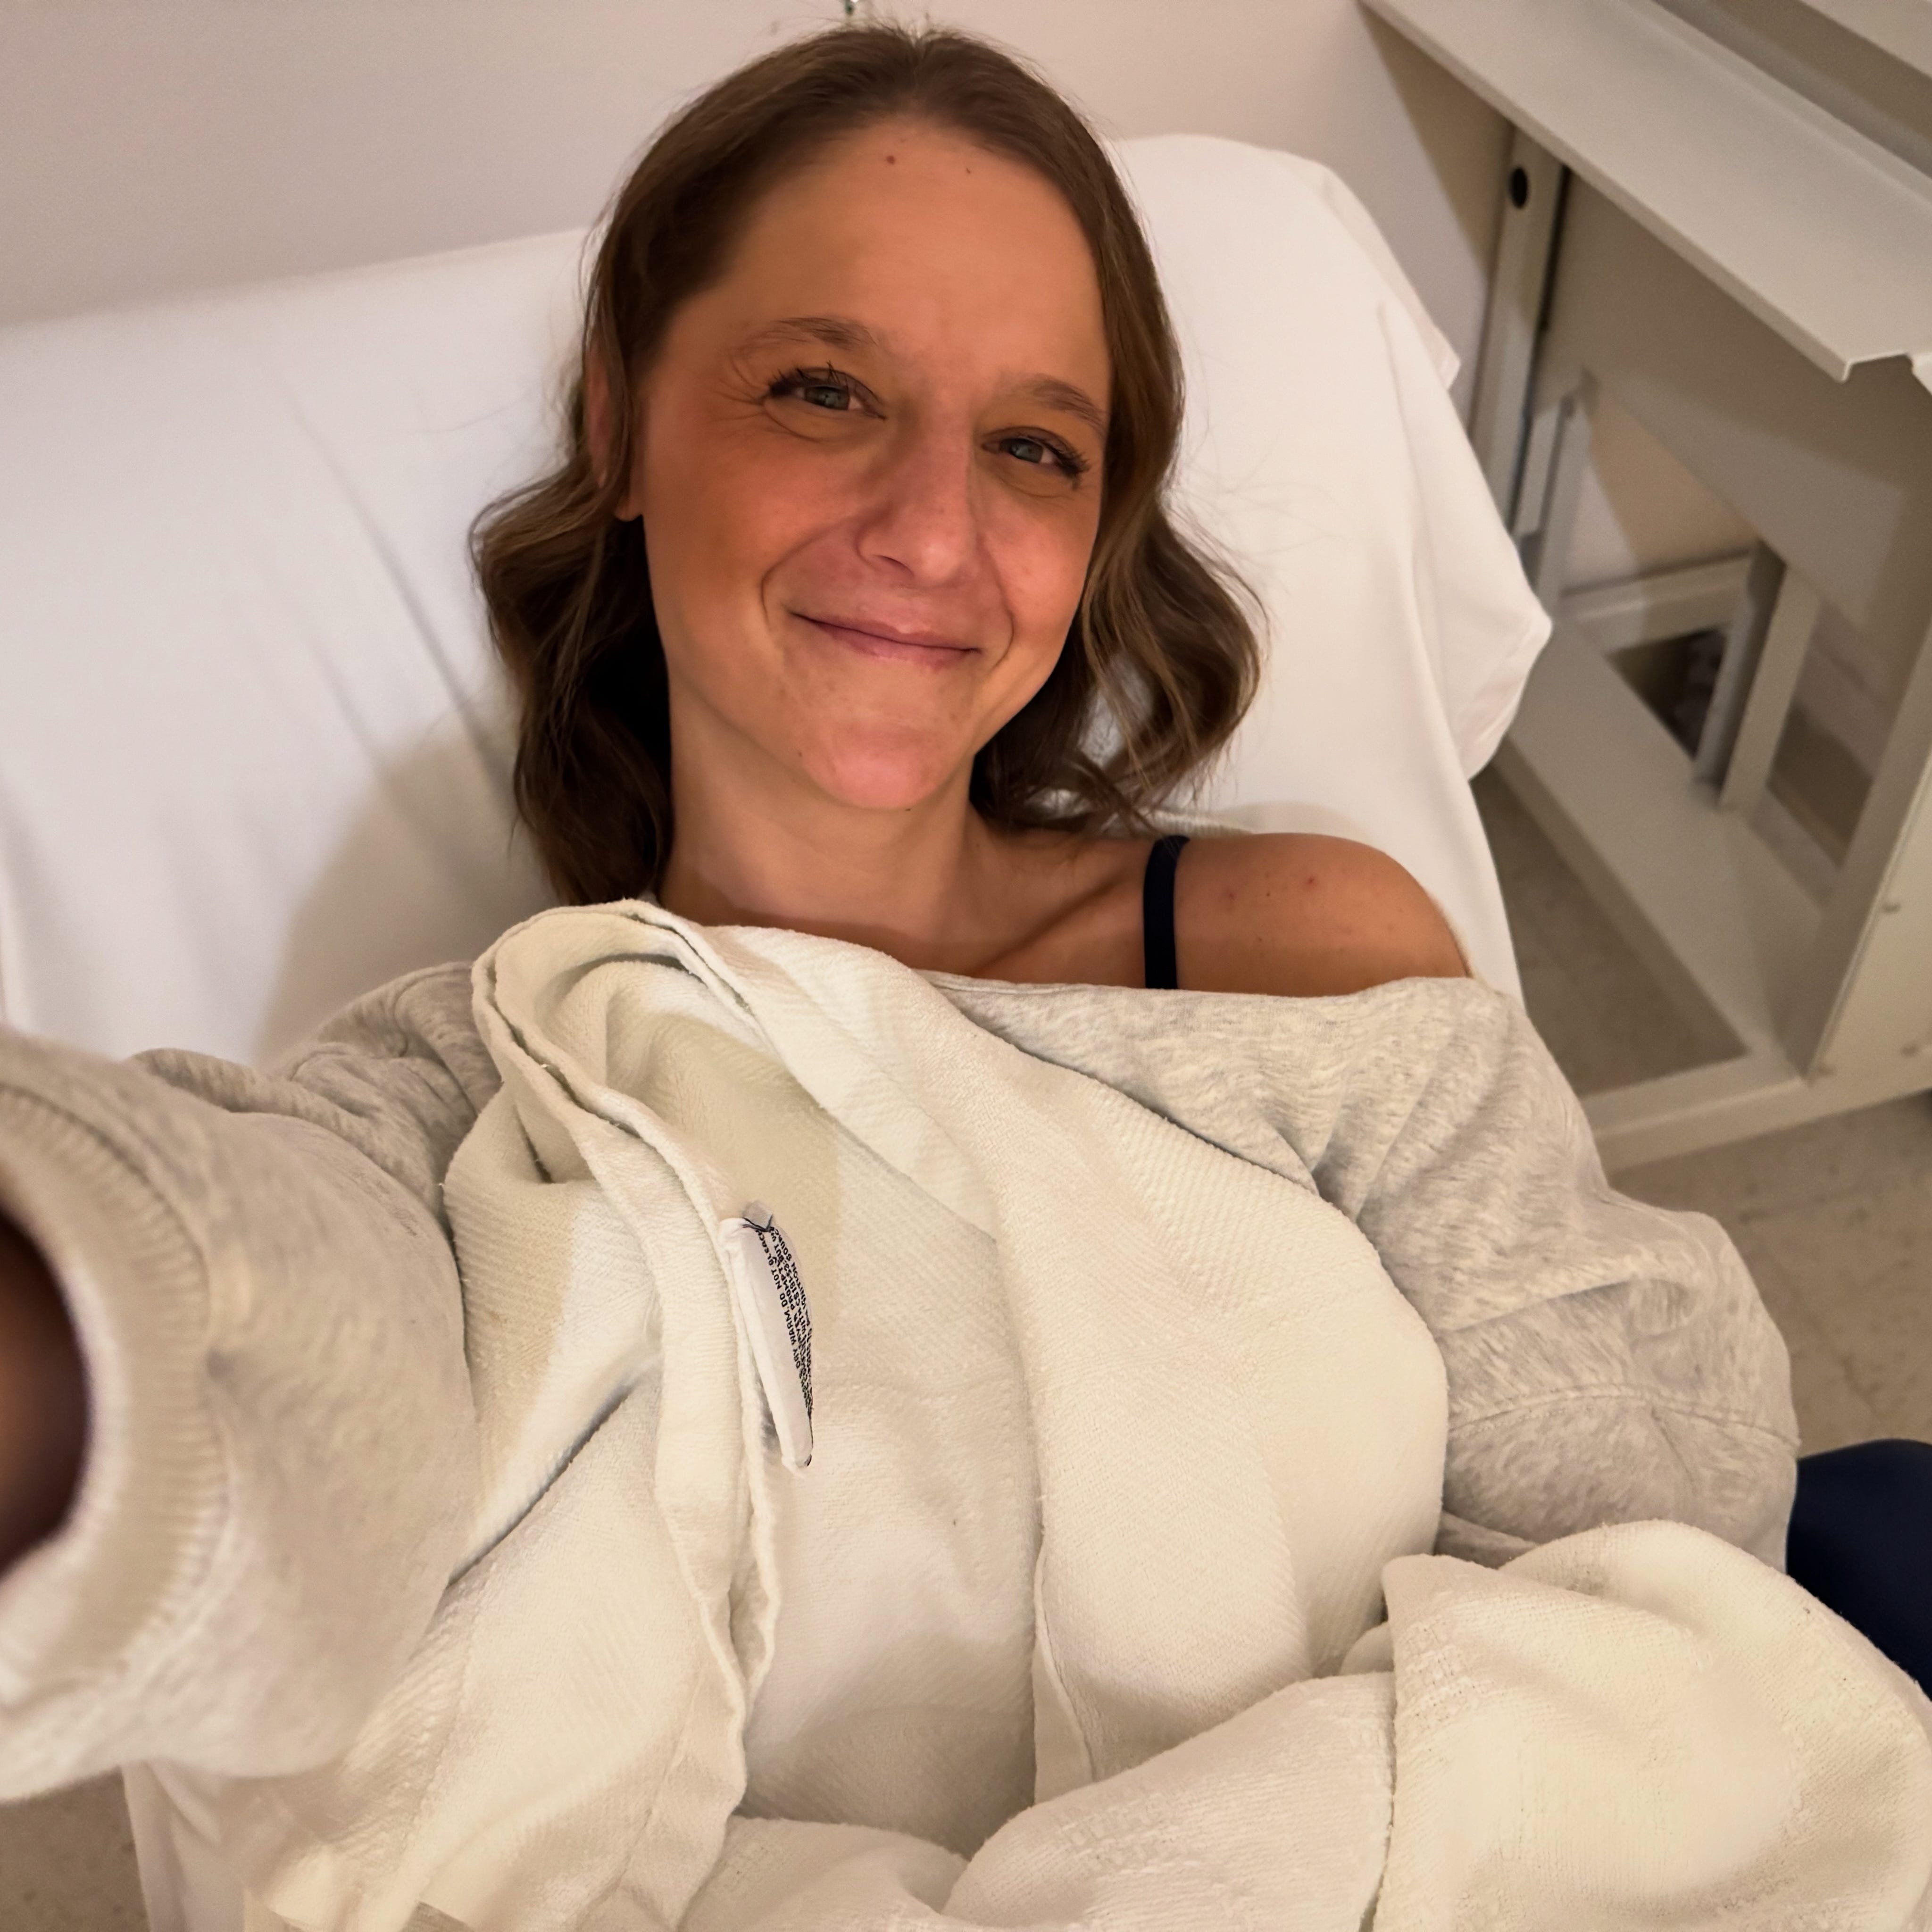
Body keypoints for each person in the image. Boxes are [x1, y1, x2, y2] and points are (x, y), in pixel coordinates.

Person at [0, 23, 1927, 1932]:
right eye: (823, 389)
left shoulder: (1302, 955)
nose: (933, 531)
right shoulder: (471, 1089)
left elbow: (1648, 1538)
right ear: (621, 428)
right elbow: (245, 1340)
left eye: (1032, 446)